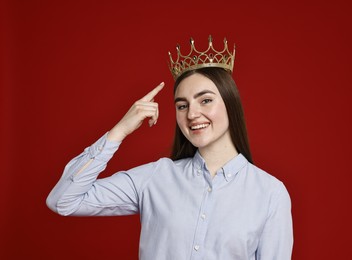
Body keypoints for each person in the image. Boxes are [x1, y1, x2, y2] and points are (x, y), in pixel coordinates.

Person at [47, 36, 293, 260]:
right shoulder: (156, 178)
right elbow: (63, 201)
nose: (193, 114)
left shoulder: (270, 193)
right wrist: (119, 132)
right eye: (182, 106)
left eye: (205, 100)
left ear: (230, 103)